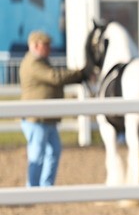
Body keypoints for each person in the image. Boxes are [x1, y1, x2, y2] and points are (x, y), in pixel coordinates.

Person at [19, 30, 92, 187]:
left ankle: (46, 187)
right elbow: (55, 77)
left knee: (53, 152)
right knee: (37, 155)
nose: (49, 48)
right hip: (36, 119)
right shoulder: (33, 63)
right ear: (36, 45)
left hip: (46, 118)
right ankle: (32, 189)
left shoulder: (41, 62)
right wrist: (80, 74)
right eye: (46, 45)